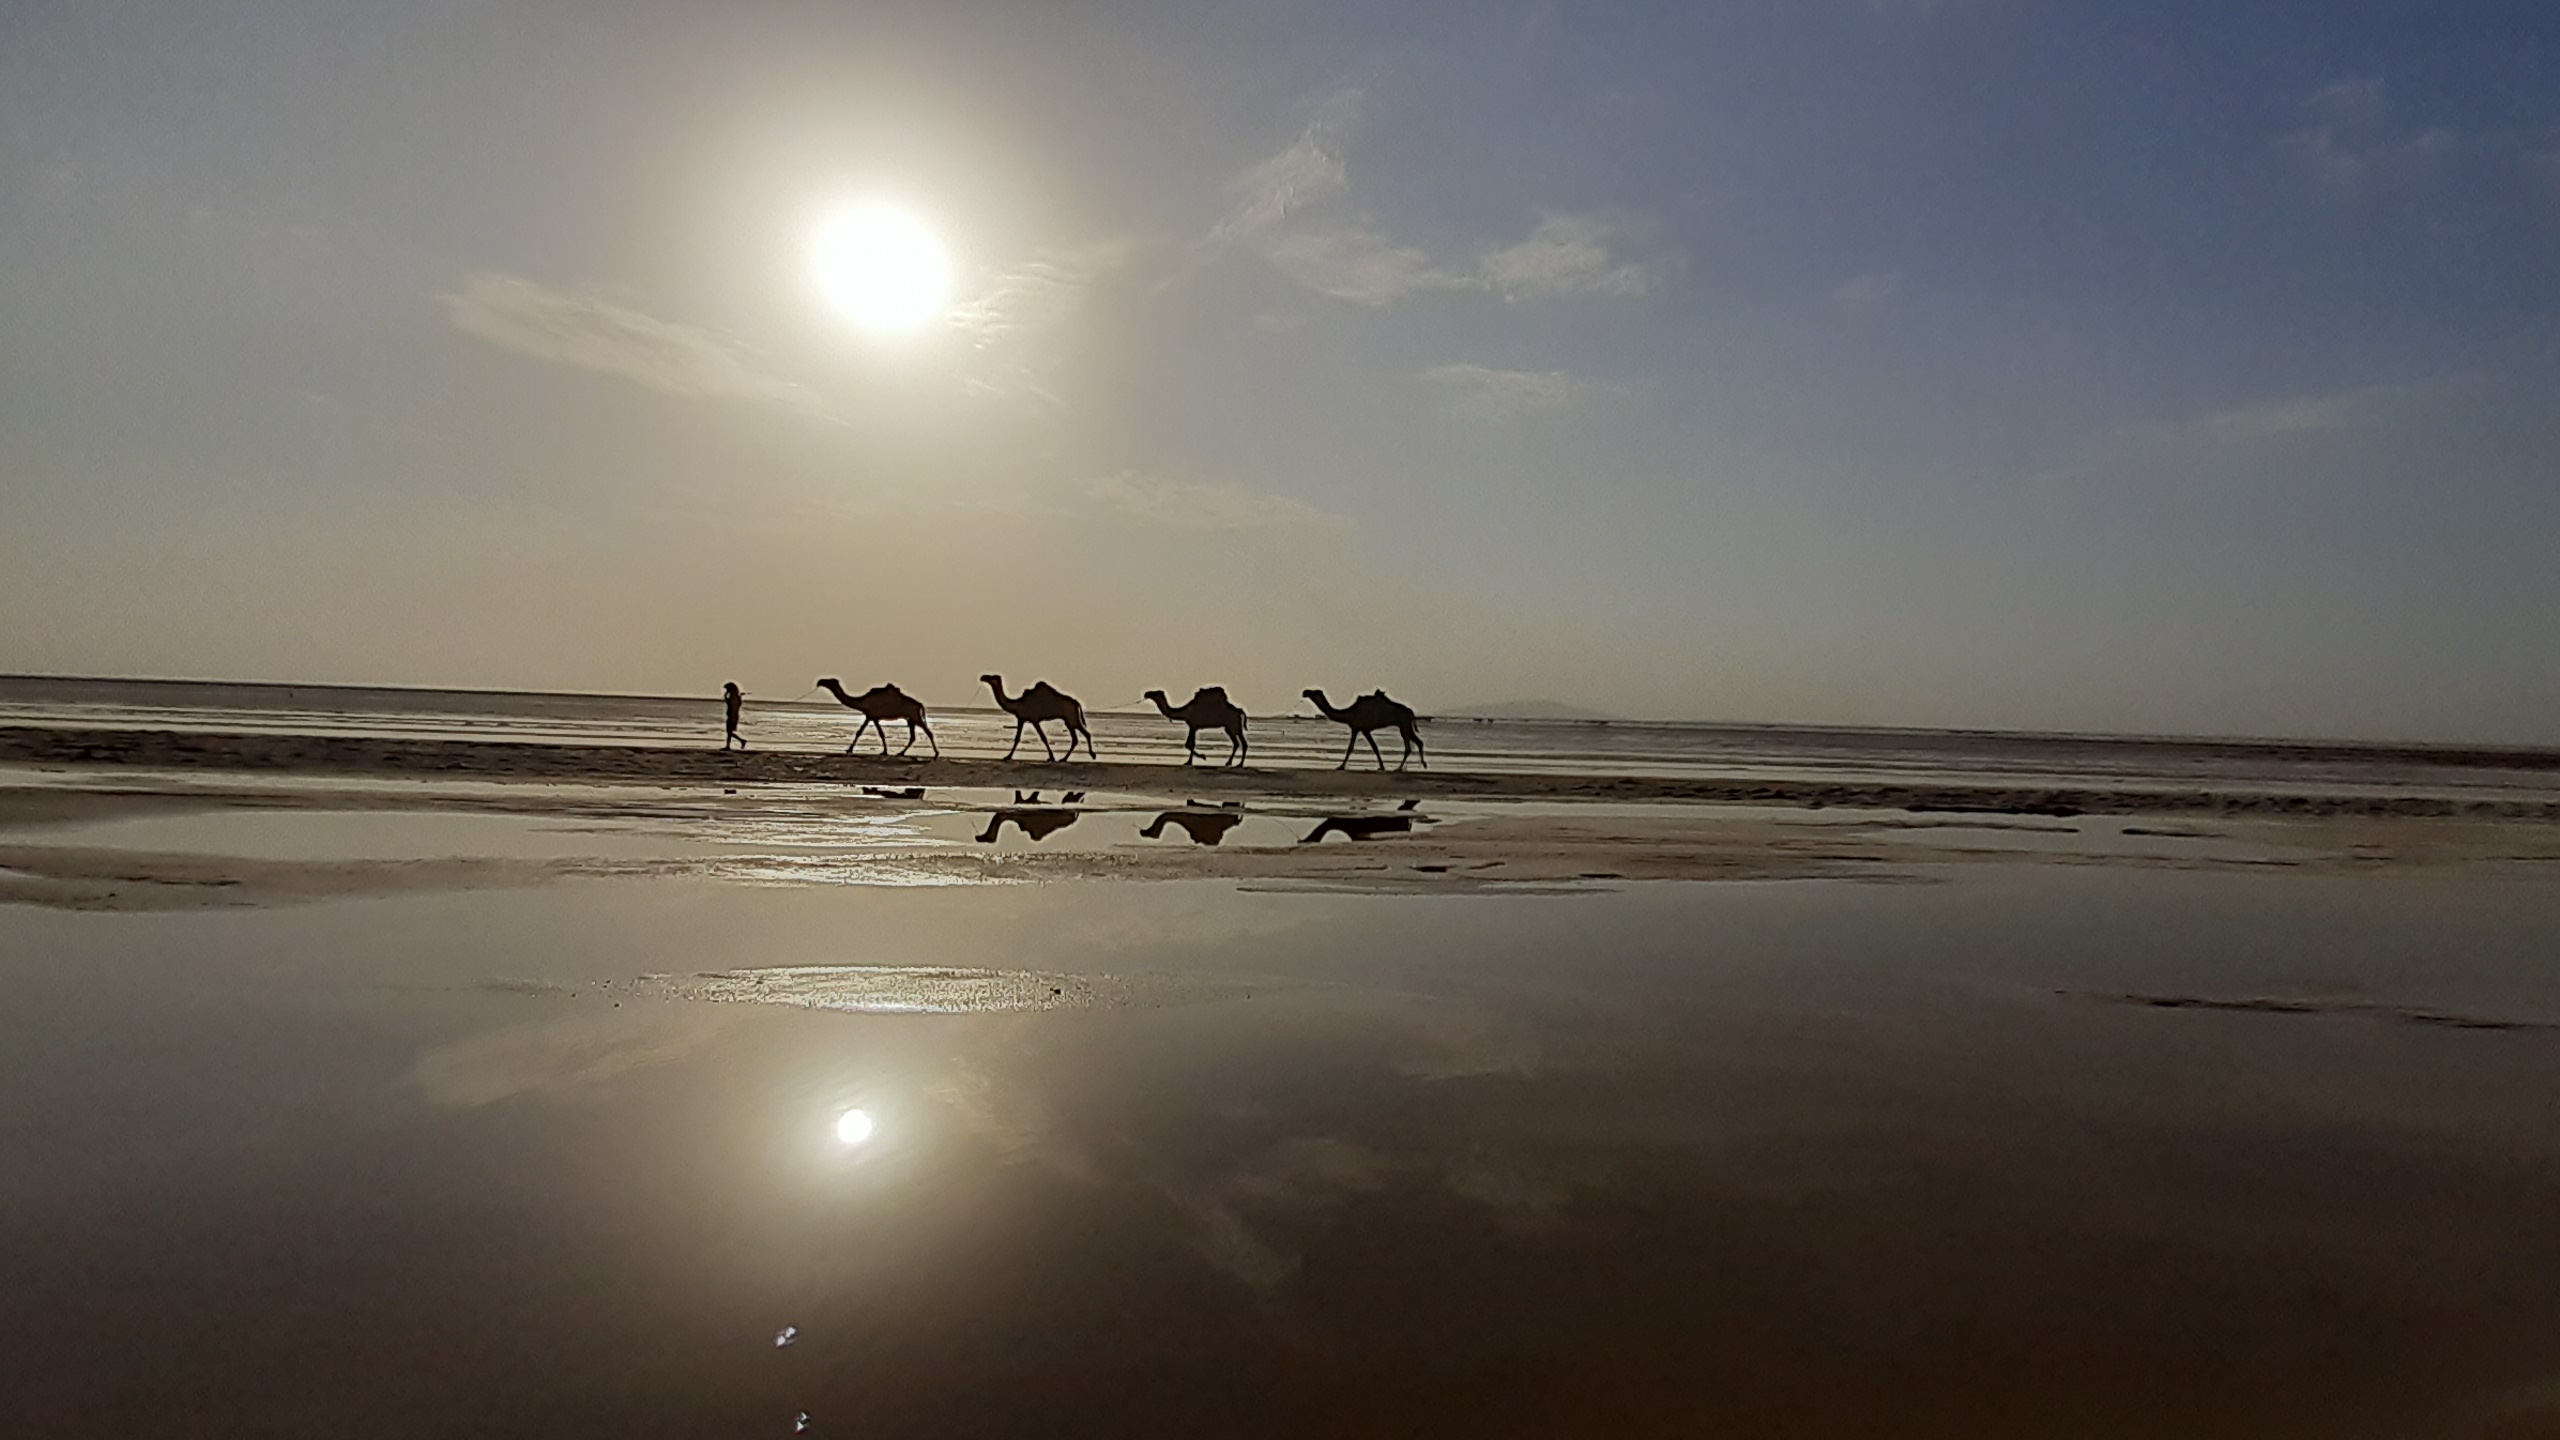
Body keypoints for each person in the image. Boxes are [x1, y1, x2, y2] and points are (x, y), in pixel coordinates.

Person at [722, 682, 746, 750]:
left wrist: (732, 717)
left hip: (733, 716)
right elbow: (729, 703)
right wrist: (725, 695)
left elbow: (733, 707)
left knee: (729, 731)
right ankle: (729, 745)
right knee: (729, 732)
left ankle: (740, 741)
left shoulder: (734, 697)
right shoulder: (735, 697)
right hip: (733, 716)